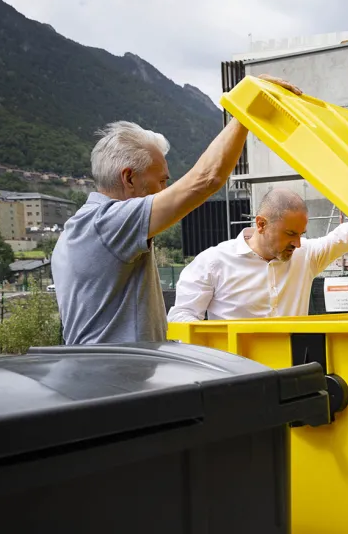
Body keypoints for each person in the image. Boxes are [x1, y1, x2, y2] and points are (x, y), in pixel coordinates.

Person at [52, 75, 302, 345]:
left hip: (104, 366)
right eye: (161, 181)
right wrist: (246, 109)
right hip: (116, 369)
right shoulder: (108, 223)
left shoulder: (80, 228)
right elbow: (207, 179)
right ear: (129, 178)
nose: (165, 190)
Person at [167, 188, 348, 321]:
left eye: (300, 234)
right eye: (290, 234)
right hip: (234, 370)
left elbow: (347, 235)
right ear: (261, 224)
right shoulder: (213, 262)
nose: (297, 243)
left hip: (293, 370)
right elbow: (182, 315)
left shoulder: (306, 255)